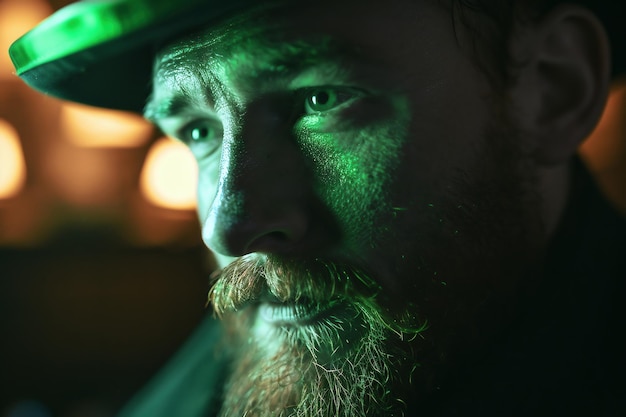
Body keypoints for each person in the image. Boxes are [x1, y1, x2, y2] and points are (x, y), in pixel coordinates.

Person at [9, 0, 625, 416]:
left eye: (319, 98)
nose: (231, 226)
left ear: (551, 89)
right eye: (198, 131)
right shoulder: (318, 307)